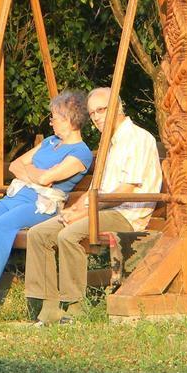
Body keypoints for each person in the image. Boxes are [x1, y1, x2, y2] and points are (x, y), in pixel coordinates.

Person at [0, 91, 93, 324]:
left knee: (0, 226)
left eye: (54, 117)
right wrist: (36, 174)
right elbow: (15, 165)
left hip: (41, 205)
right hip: (16, 198)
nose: (50, 121)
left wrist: (33, 173)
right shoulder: (49, 142)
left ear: (70, 119)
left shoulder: (80, 153)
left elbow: (46, 180)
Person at [24, 87, 162, 323]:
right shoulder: (110, 142)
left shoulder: (137, 138)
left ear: (118, 107)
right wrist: (74, 209)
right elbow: (95, 189)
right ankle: (48, 310)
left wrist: (83, 214)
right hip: (102, 208)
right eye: (93, 113)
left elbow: (124, 191)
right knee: (38, 234)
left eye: (101, 110)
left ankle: (74, 309)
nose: (97, 117)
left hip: (125, 213)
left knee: (69, 235)